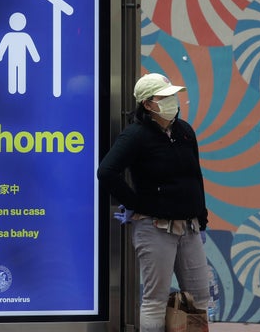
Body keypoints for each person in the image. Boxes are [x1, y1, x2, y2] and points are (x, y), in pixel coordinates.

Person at [97, 72, 210, 332]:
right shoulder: (135, 135)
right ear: (148, 104)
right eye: (165, 97)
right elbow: (106, 171)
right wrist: (136, 204)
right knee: (155, 301)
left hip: (190, 227)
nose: (174, 101)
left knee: (200, 297)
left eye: (173, 95)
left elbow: (195, 176)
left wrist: (201, 218)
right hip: (155, 227)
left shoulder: (184, 132)